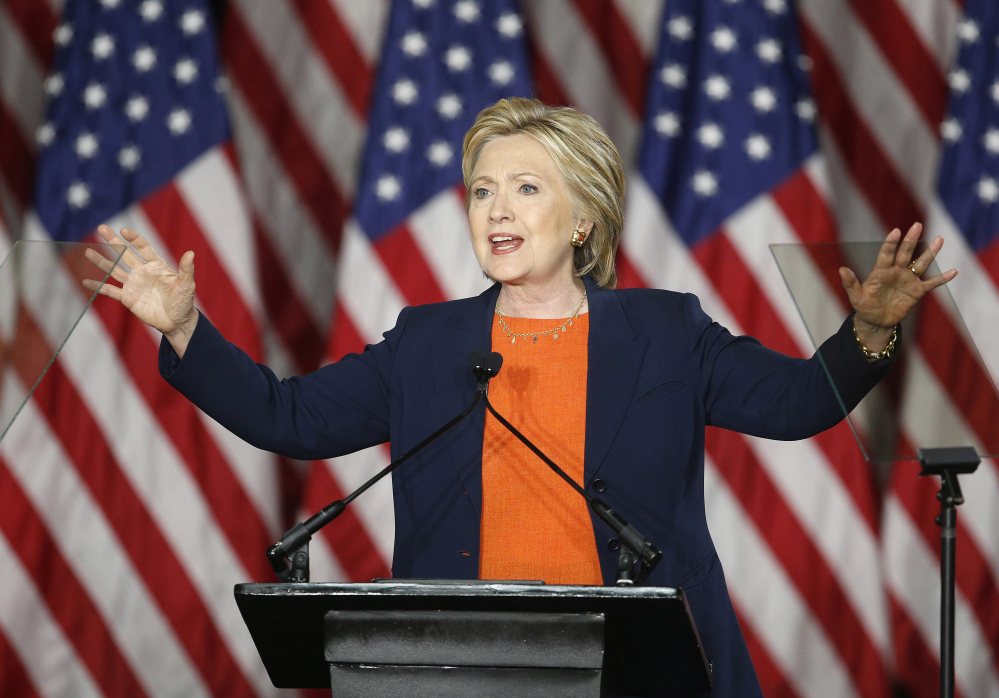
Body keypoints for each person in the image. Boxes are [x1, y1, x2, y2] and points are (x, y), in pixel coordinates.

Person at [85, 97, 956, 696]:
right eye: (482, 190)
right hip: (462, 672)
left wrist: (869, 330)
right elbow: (290, 417)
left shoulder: (664, 333)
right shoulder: (428, 343)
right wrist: (185, 330)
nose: (496, 210)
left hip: (633, 670)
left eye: (526, 188)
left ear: (582, 219)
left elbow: (800, 402)